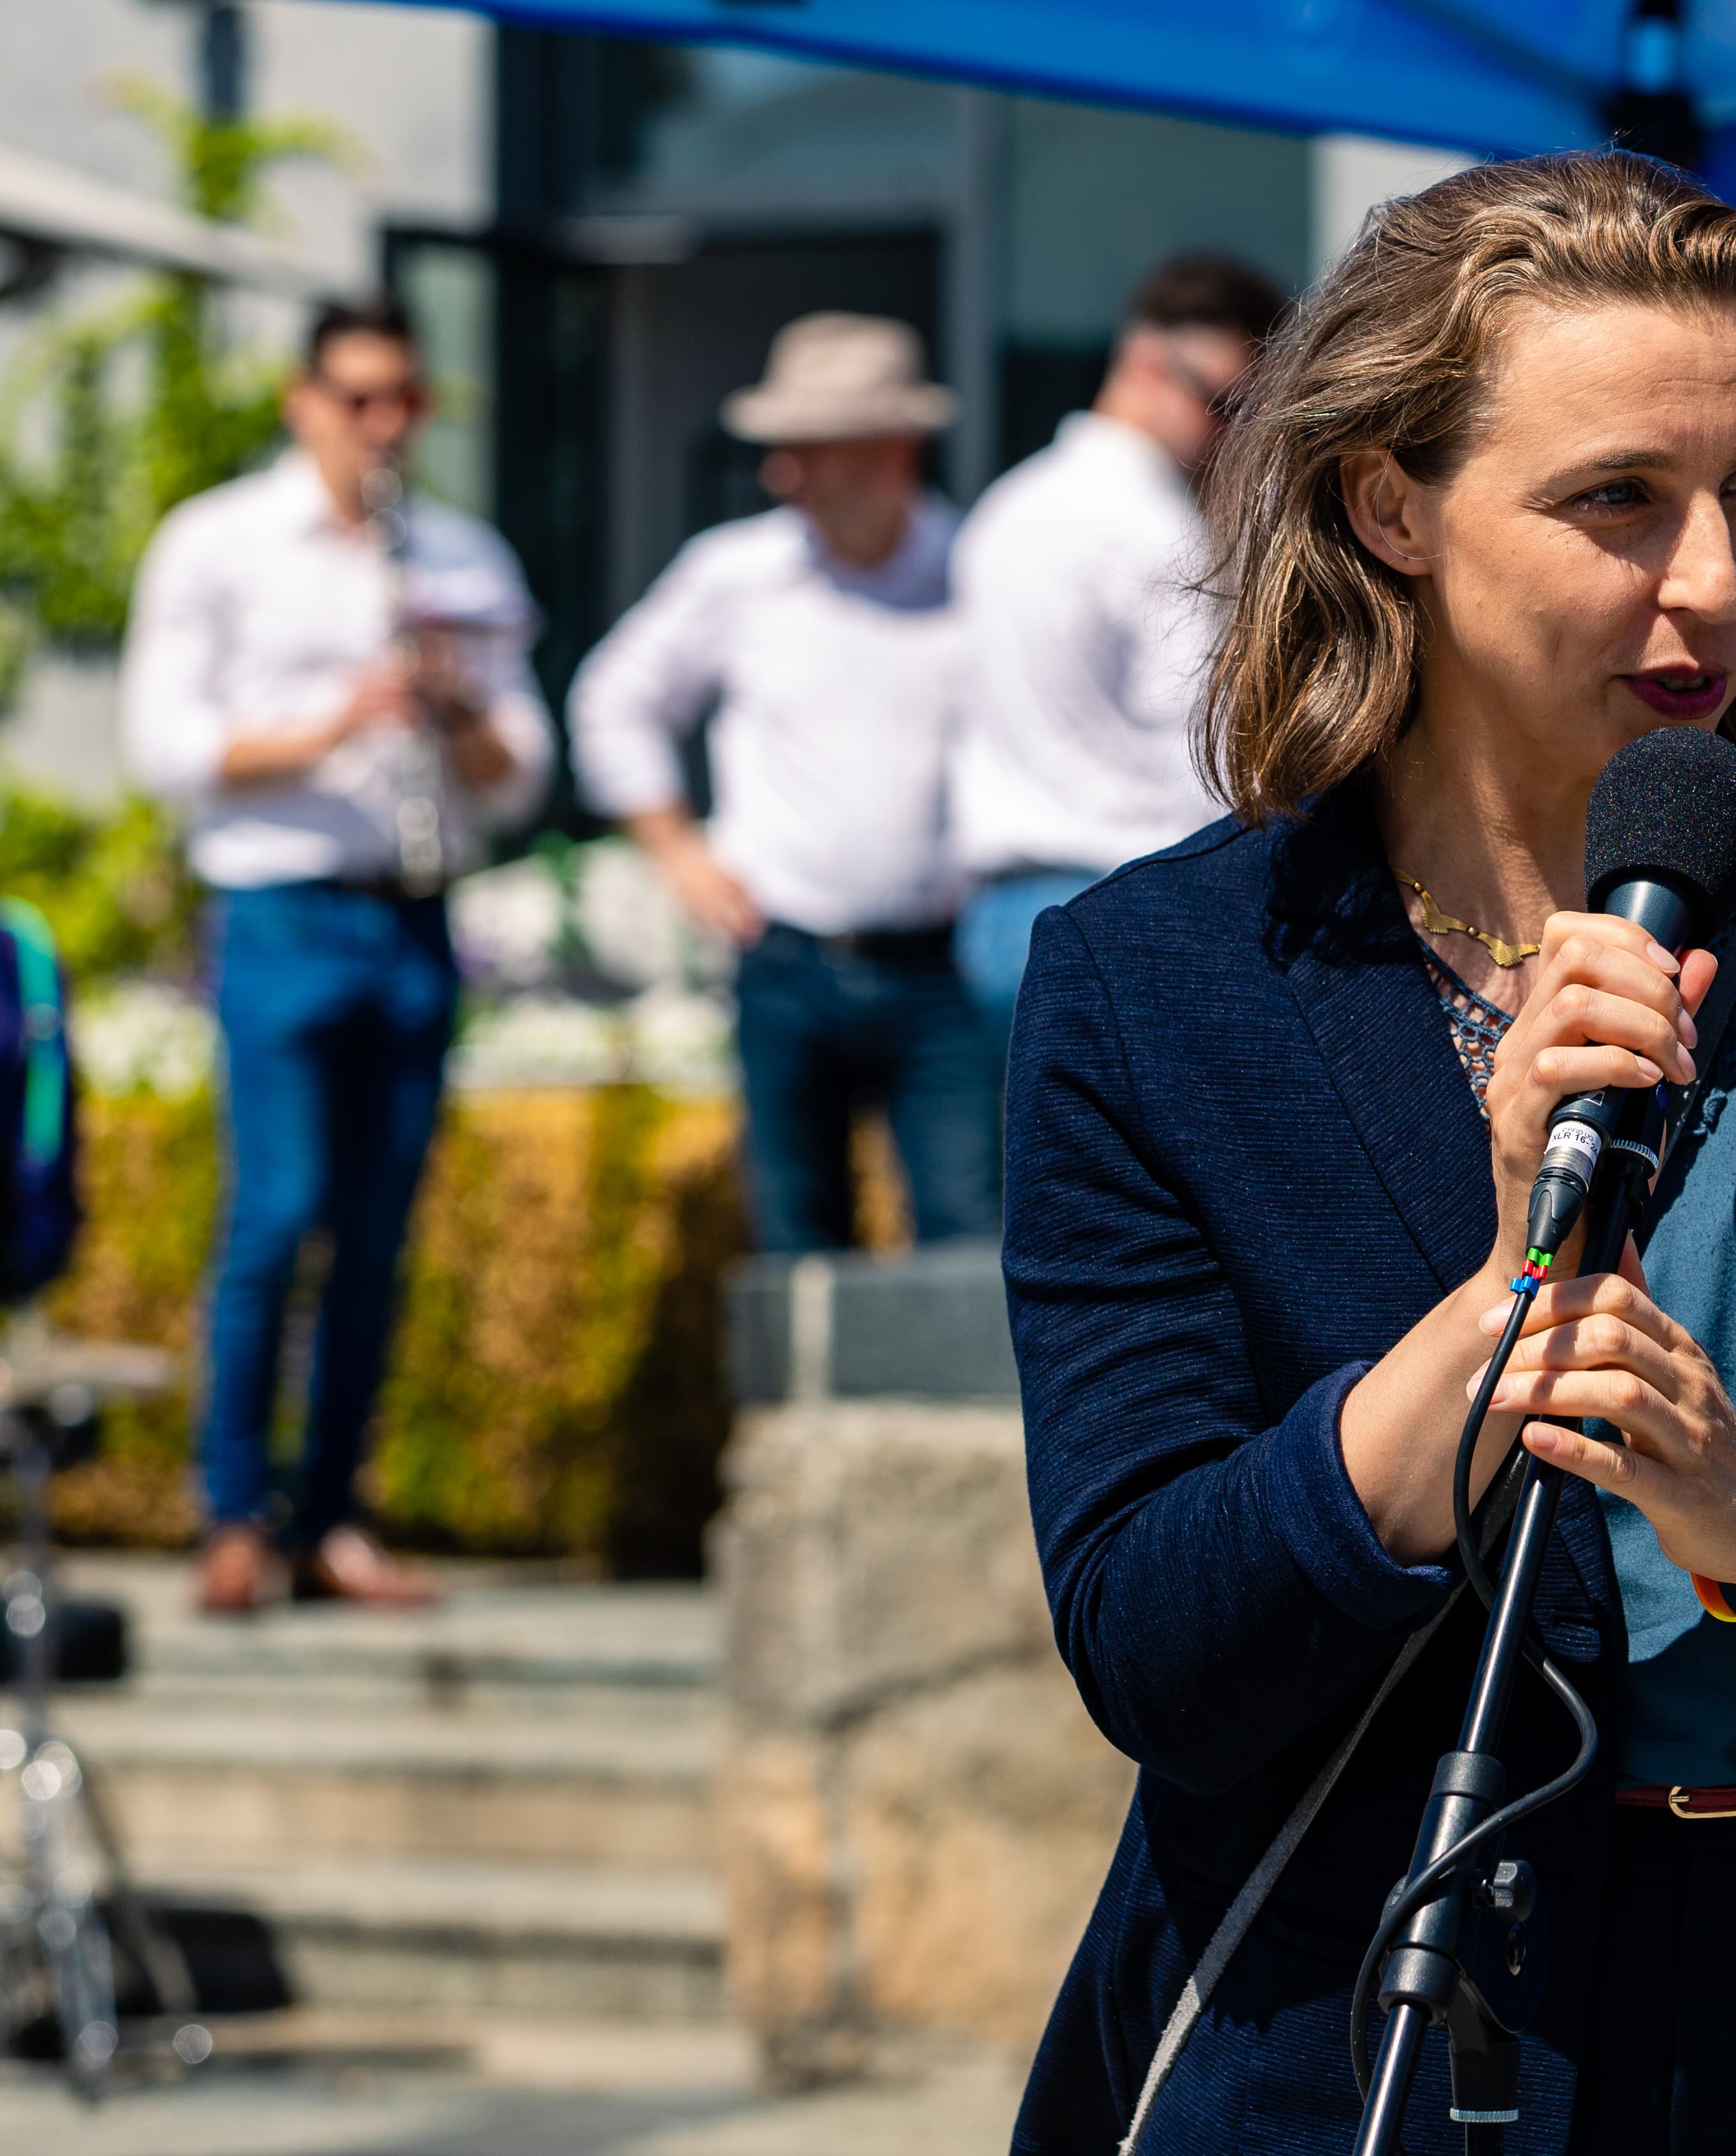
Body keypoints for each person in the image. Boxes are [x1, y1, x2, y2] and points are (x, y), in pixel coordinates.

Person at [1003, 155, 1736, 2152]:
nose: (1711, 576)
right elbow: (1156, 1647)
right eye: (1618, 497)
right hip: (1387, 2022)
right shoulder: (1154, 980)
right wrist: (1500, 1301)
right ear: (1388, 505)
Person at [124, 296, 556, 1617]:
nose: (383, 426)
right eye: (357, 398)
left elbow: (521, 777)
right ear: (302, 402)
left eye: (404, 400)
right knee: (276, 1211)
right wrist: (338, 717)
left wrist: (453, 701)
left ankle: (331, 1518)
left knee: (376, 1231)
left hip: (414, 912)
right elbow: (166, 747)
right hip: (280, 908)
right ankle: (230, 1513)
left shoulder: (462, 556)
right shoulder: (220, 541)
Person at [569, 313, 994, 1253]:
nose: (779, 472)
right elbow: (612, 700)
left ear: (892, 450)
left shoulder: (979, 572)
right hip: (784, 959)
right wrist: (679, 855)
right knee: (798, 1251)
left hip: (944, 967)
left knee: (967, 1249)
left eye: (809, 448)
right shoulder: (737, 573)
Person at [949, 255, 1286, 1041]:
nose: (1231, 434)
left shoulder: (1005, 506)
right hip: (1122, 906)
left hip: (996, 918)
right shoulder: (1154, 531)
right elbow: (1206, 755)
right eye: (1224, 403)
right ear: (1146, 362)